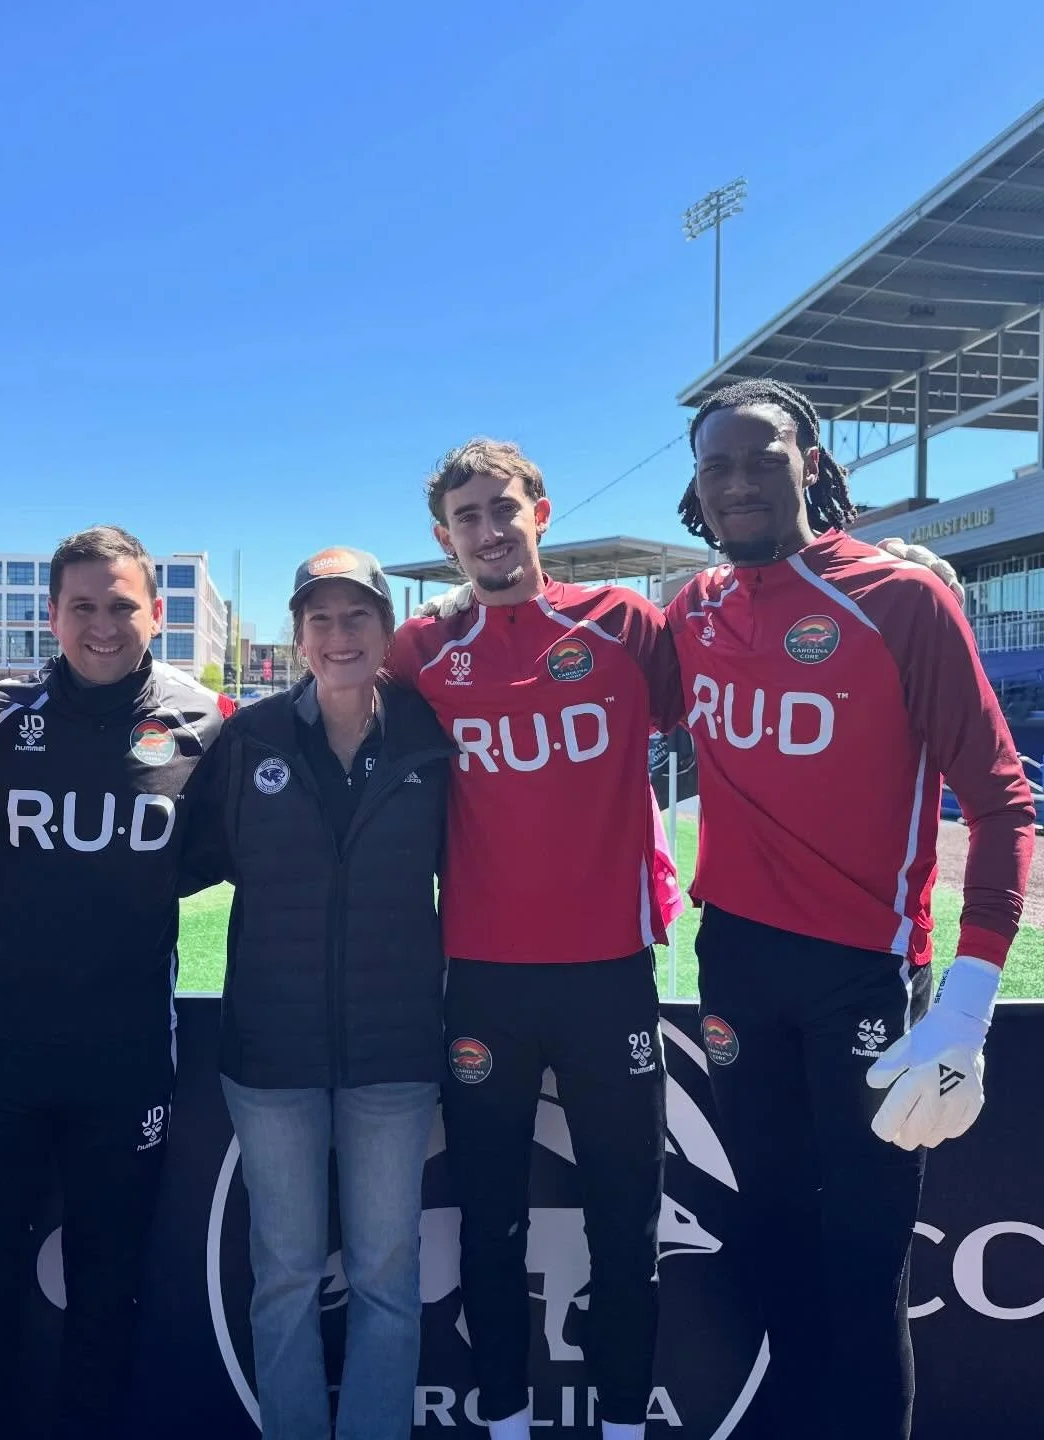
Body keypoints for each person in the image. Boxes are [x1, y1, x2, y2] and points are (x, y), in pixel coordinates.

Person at [670, 378, 1035, 1439]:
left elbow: (1003, 799)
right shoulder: (691, 610)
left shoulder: (900, 601)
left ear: (813, 467)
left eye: (761, 458)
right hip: (733, 962)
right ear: (696, 490)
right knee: (773, 1249)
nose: (738, 482)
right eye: (715, 466)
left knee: (865, 1267)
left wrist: (967, 1001)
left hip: (863, 978)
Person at [388, 441, 685, 1440]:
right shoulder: (421, 652)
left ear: (541, 513)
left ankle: (625, 1425)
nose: (488, 530)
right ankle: (505, 1422)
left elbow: (721, 725)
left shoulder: (627, 626)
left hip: (610, 975)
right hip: (481, 981)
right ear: (444, 537)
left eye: (502, 509)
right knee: (488, 1222)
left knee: (626, 1222)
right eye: (466, 517)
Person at [0, 525, 232, 1438]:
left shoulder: (205, 721)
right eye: (83, 607)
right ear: (52, 614)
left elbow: (205, 857)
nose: (104, 625)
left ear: (159, 612)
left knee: (108, 1297)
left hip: (126, 1059)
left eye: (123, 605)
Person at [183, 547, 455, 1440]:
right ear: (298, 636)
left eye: (358, 617)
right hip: (270, 1056)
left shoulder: (428, 736)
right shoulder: (250, 737)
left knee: (385, 1274)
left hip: (395, 1054)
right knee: (287, 1275)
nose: (340, 636)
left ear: (386, 630)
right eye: (321, 620)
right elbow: (180, 861)